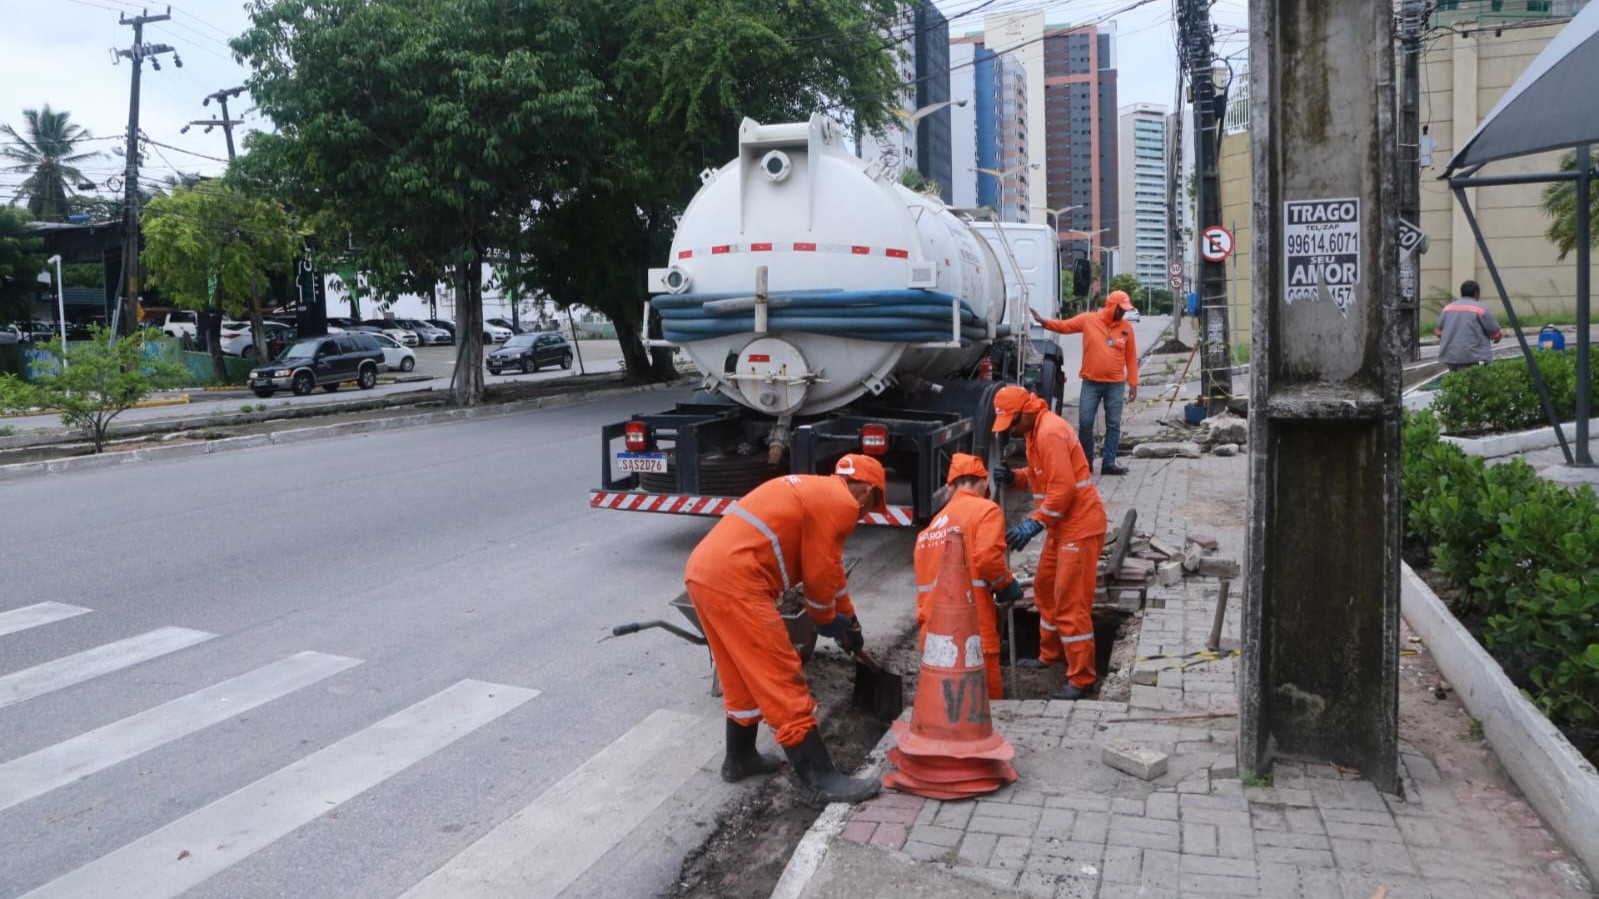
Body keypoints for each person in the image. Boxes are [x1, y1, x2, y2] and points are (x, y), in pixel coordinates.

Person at [683, 454, 887, 806]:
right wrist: (826, 621)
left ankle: (740, 758)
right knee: (780, 674)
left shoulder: (817, 491)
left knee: (739, 676)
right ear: (866, 491)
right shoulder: (842, 504)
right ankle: (820, 779)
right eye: (873, 505)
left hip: (703, 572)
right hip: (738, 580)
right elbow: (819, 578)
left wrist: (849, 621)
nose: (865, 514)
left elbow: (832, 570)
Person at [990, 385, 1108, 701]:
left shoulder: (1050, 432)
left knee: (1070, 602)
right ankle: (1051, 655)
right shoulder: (1035, 431)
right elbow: (1041, 472)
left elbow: (1064, 489)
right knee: (1044, 588)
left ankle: (1082, 678)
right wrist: (1016, 478)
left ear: (1024, 412)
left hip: (1079, 528)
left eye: (1012, 424)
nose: (1011, 431)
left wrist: (1034, 522)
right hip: (1062, 529)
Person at [913, 453, 1025, 700]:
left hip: (935, 637)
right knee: (986, 712)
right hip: (972, 631)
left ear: (950, 487)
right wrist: (1005, 584)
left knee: (945, 711)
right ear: (984, 482)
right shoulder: (985, 510)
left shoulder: (930, 529)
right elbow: (986, 558)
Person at [1031, 290, 1140, 476]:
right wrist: (1044, 323)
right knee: (1086, 422)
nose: (1122, 313)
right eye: (1120, 309)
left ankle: (1108, 463)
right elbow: (1065, 326)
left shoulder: (1126, 328)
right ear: (1110, 306)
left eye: (1125, 310)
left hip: (1115, 384)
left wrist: (1133, 383)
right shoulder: (1088, 320)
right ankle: (1085, 463)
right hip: (1091, 383)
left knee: (1113, 424)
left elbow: (1131, 357)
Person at [1435, 280, 1503, 372]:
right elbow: (1495, 333)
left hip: (1450, 355)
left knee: (1456, 382)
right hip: (1473, 356)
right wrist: (1496, 337)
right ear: (1476, 293)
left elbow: (1438, 332)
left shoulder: (1447, 308)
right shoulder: (1481, 309)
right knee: (1471, 382)